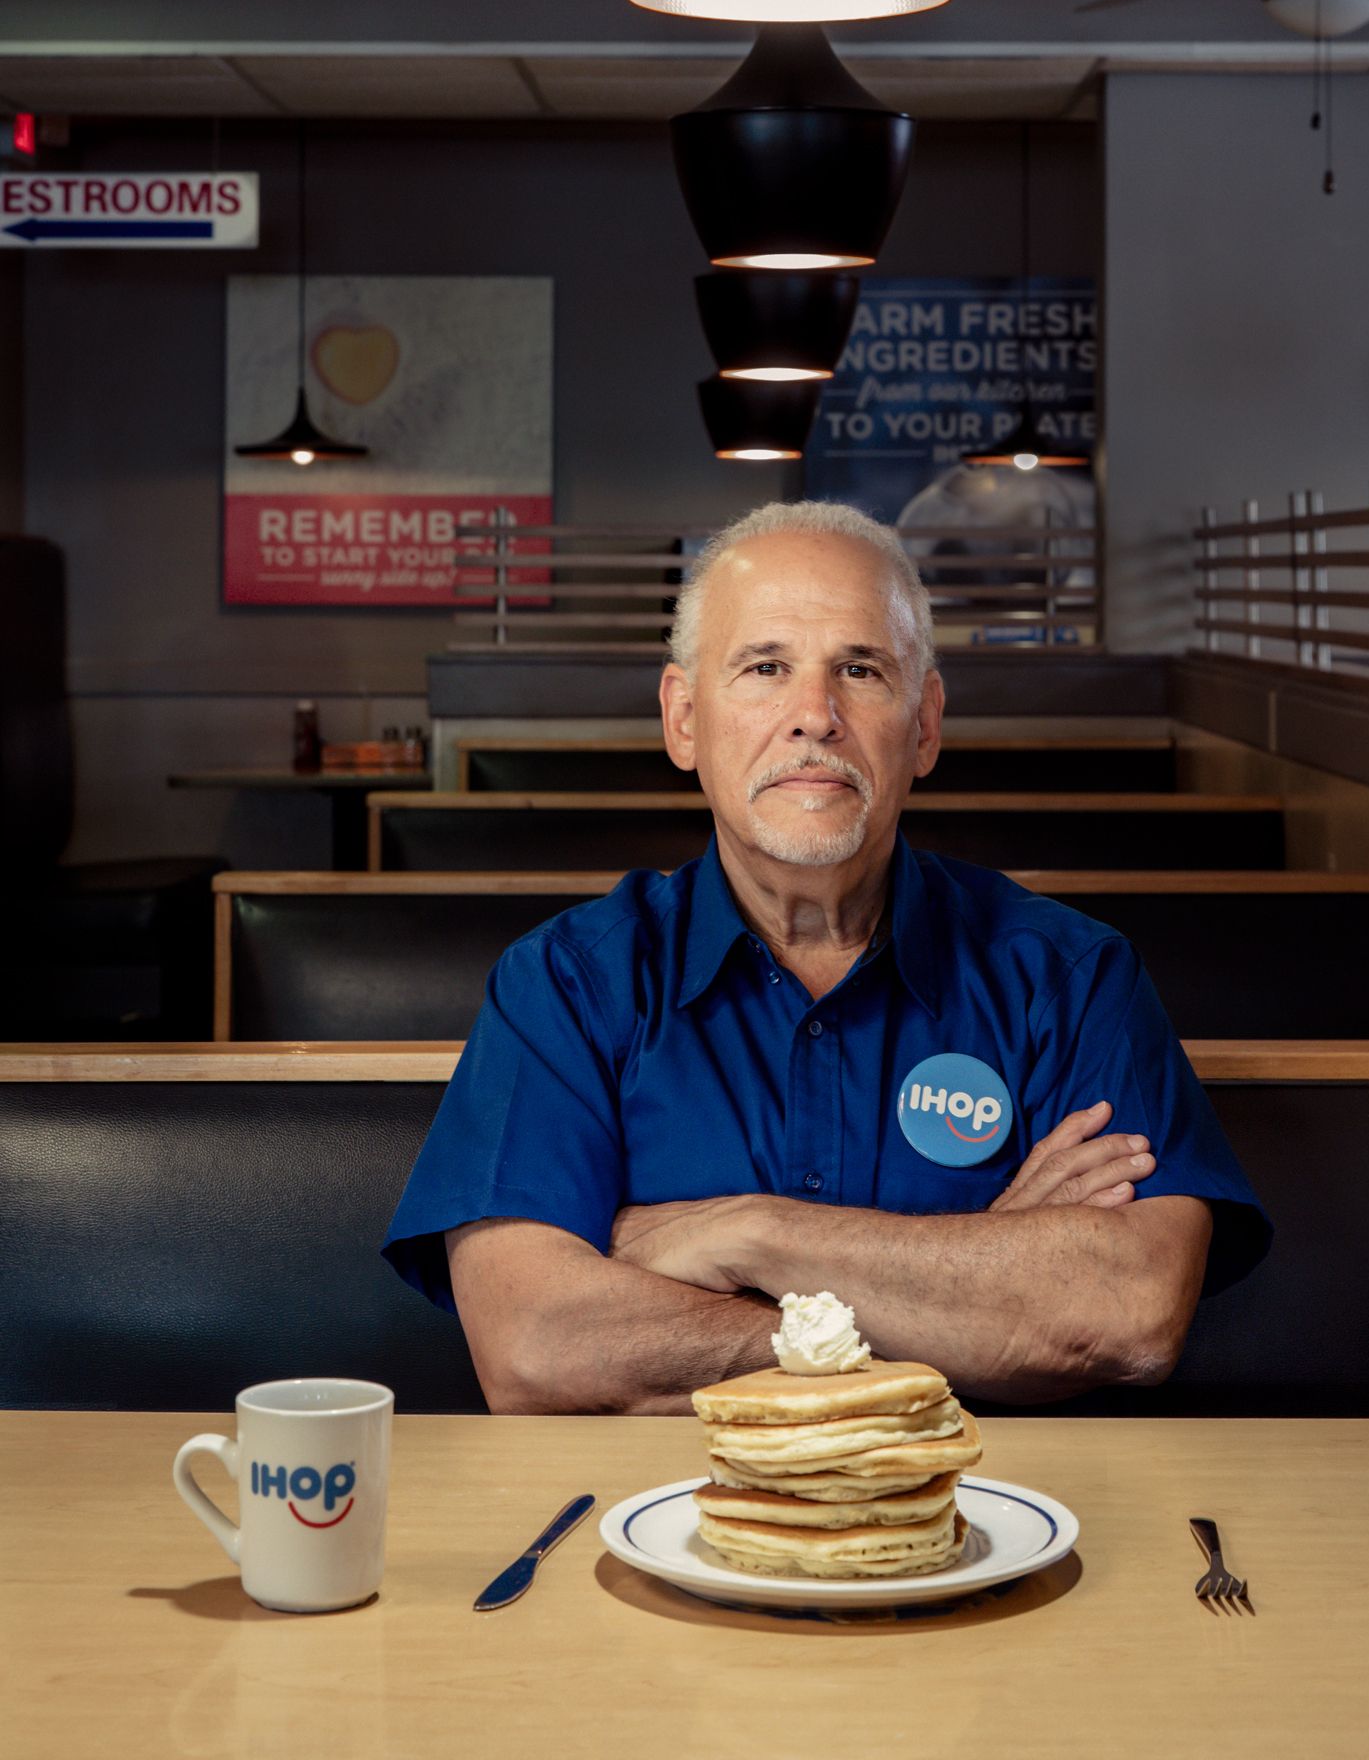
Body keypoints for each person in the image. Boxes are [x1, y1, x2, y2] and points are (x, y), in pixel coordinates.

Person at [382, 501, 1268, 1412]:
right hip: (651, 1520)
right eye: (766, 667)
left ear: (923, 726)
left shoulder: (1071, 978)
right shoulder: (567, 983)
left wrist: (749, 1234)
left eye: (860, 669)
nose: (815, 715)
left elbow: (1128, 1310)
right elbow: (534, 1349)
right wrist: (967, 1297)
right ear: (684, 720)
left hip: (983, 1520)